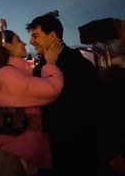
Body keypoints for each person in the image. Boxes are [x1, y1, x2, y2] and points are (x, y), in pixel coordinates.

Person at [26, 12, 104, 176]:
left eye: (35, 36)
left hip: (73, 153)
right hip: (60, 151)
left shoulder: (78, 67)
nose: (31, 41)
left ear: (52, 36)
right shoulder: (46, 67)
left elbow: (96, 108)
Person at [0, 29, 64, 176]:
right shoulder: (7, 74)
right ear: (8, 46)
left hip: (15, 156)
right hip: (5, 160)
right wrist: (51, 63)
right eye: (18, 40)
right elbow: (50, 90)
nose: (25, 43)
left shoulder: (13, 72)